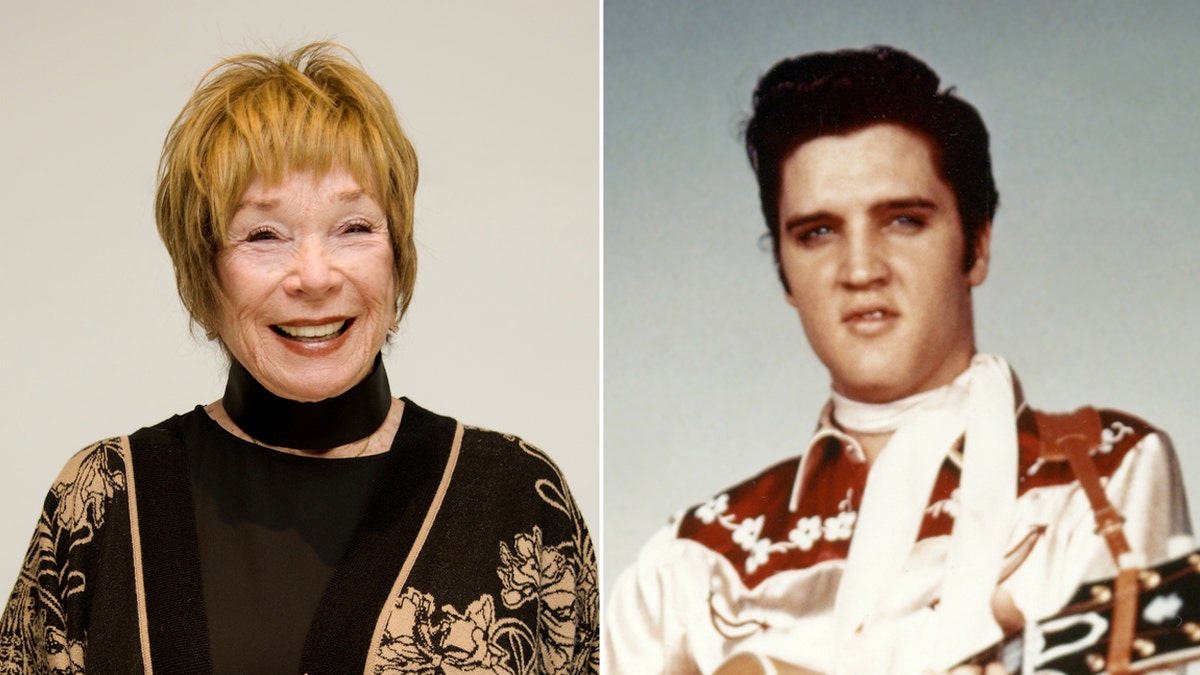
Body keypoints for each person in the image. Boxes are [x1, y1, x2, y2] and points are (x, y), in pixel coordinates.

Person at [0, 43, 598, 674]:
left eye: (355, 227)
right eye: (264, 234)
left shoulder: (513, 498)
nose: (315, 276)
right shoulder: (103, 499)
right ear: (206, 275)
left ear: (398, 260)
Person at [603, 46, 1193, 675]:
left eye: (903, 220)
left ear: (976, 245)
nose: (860, 270)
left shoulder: (1098, 474)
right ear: (784, 271)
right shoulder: (692, 561)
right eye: (817, 233)